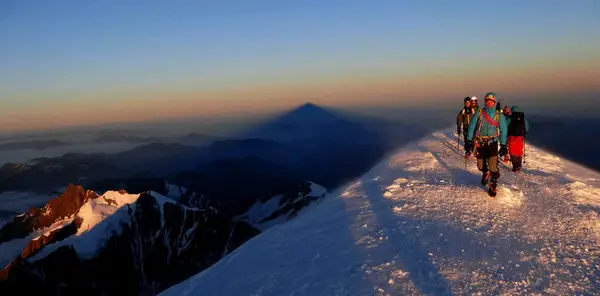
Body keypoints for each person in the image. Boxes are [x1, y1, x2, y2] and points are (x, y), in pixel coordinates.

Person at [465, 92, 508, 196]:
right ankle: (485, 172)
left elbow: (503, 130)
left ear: (494, 102)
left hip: (492, 142)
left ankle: (493, 183)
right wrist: (469, 141)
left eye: (491, 102)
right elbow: (471, 127)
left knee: (493, 166)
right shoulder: (479, 113)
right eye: (487, 101)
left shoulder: (499, 115)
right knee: (480, 165)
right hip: (480, 142)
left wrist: (503, 145)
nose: (489, 103)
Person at [506, 105, 529, 173]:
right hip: (520, 137)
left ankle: (515, 166)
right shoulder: (523, 118)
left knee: (512, 151)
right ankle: (518, 166)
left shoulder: (510, 118)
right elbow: (527, 127)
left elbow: (505, 125)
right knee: (518, 151)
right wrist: (524, 133)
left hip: (512, 137)